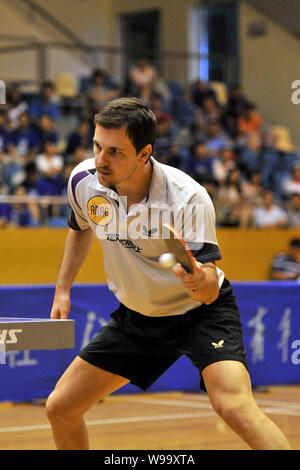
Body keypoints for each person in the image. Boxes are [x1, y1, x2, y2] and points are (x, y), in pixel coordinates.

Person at [45, 97, 291, 450]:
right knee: (60, 407)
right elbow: (80, 226)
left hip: (201, 315)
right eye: (97, 145)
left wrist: (198, 283)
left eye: (115, 152)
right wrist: (62, 288)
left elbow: (208, 287)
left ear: (144, 153)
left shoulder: (188, 197)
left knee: (234, 408)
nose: (101, 159)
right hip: (139, 318)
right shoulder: (84, 181)